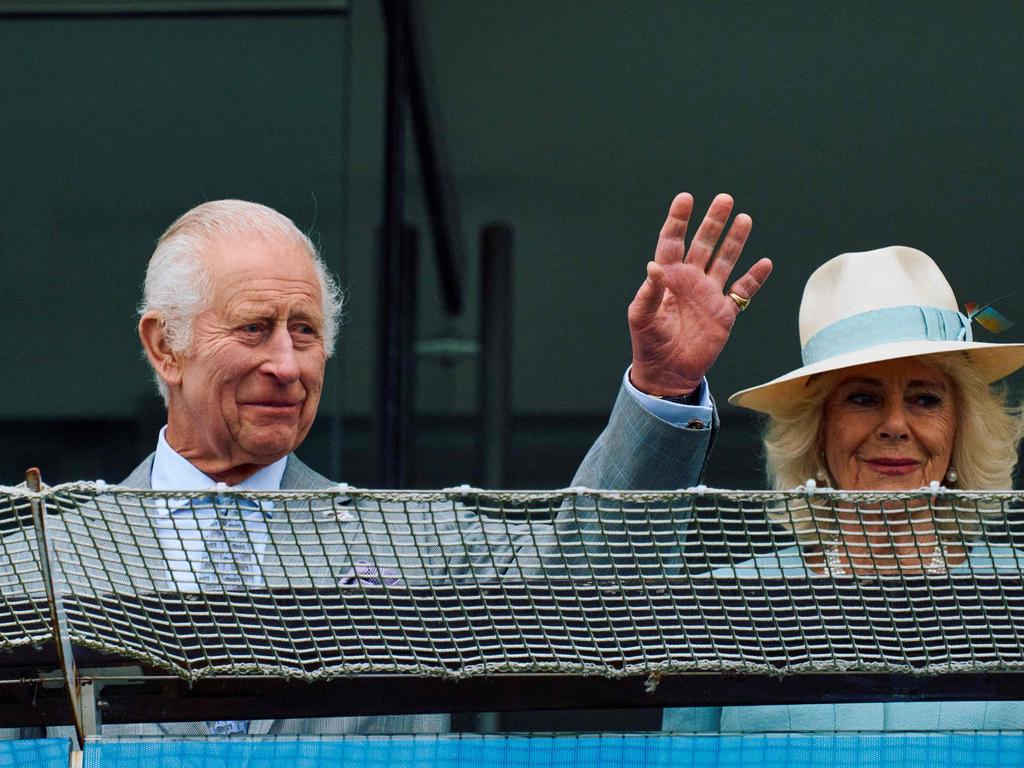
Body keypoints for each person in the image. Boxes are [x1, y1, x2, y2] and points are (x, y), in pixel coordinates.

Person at [0, 196, 766, 738]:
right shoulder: (34, 561)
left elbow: (584, 580)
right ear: (165, 346)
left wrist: (660, 392)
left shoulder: (411, 543)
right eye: (256, 328)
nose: (286, 364)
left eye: (305, 332)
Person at [640, 222, 1024, 730]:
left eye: (925, 399)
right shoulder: (724, 605)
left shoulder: (1016, 594)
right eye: (862, 398)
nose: (893, 425)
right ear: (817, 430)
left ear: (961, 429)